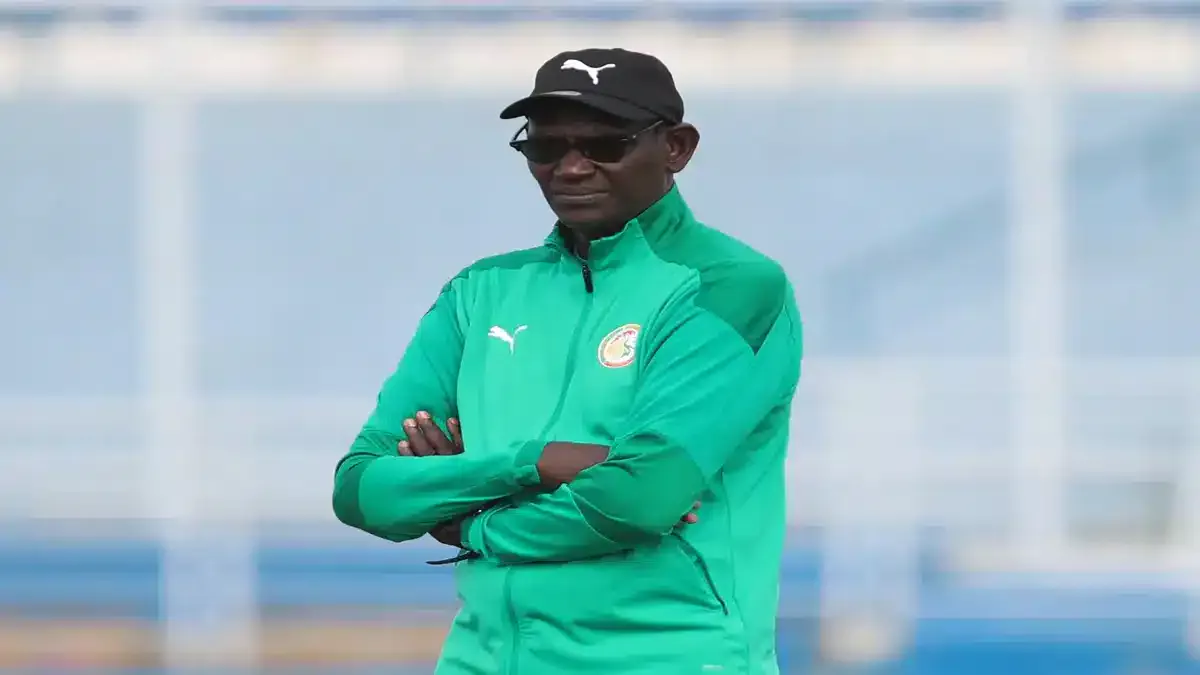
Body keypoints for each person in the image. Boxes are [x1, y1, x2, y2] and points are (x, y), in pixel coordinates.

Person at [332, 47, 803, 675]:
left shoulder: (729, 288)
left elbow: (636, 501)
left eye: (605, 144)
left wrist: (466, 525)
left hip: (667, 658)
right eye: (546, 147)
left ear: (677, 148)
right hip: (482, 658)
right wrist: (536, 462)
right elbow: (364, 490)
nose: (571, 167)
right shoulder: (482, 292)